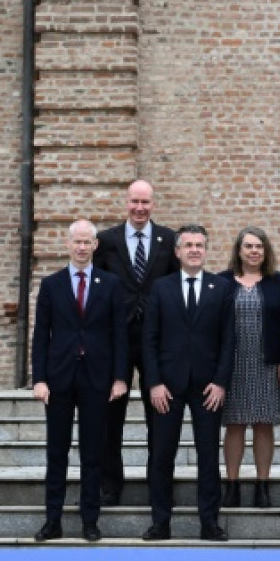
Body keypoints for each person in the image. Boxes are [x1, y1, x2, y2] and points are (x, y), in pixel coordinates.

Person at [30, 220, 130, 542]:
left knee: (93, 453)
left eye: (88, 242)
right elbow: (40, 336)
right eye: (77, 242)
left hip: (98, 380)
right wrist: (39, 379)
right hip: (58, 379)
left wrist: (120, 377)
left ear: (95, 246)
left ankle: (90, 520)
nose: (82, 247)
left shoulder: (111, 284)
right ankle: (52, 520)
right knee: (56, 452)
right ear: (68, 243)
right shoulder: (51, 284)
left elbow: (120, 335)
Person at [140, 224, 235, 542]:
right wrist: (153, 382)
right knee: (161, 455)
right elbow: (149, 339)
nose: (195, 250)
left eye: (200, 245)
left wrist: (221, 381)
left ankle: (209, 522)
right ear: (178, 251)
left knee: (208, 456)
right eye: (188, 245)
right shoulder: (161, 288)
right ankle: (160, 522)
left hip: (208, 388)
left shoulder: (220, 288)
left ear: (206, 251)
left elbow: (228, 340)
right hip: (167, 387)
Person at [93, 179, 179, 506]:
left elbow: (174, 287)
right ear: (126, 202)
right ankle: (109, 487)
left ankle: (158, 486)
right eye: (134, 202)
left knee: (159, 415)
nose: (140, 208)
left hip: (157, 342)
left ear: (153, 204)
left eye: (145, 202)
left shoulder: (168, 239)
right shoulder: (106, 241)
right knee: (109, 417)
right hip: (116, 341)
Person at [219, 227, 280, 509]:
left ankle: (263, 485)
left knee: (264, 425)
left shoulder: (278, 282)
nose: (253, 251)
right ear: (238, 250)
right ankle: (232, 485)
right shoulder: (223, 281)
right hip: (233, 364)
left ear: (265, 251)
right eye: (248, 246)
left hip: (268, 363)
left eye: (259, 247)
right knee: (234, 424)